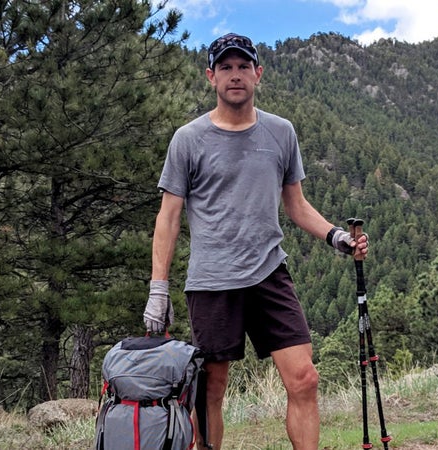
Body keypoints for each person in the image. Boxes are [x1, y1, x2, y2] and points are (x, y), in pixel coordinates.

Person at [143, 32, 368, 450]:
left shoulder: (281, 133)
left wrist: (336, 236)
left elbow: (296, 205)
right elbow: (168, 216)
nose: (235, 75)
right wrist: (159, 288)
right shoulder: (188, 140)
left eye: (243, 66)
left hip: (269, 273)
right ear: (210, 76)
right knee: (210, 391)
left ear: (258, 74)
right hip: (212, 281)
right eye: (225, 67)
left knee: (304, 378)